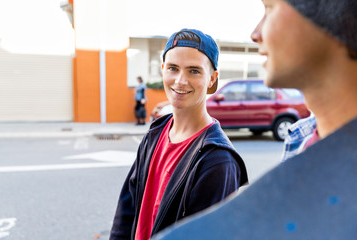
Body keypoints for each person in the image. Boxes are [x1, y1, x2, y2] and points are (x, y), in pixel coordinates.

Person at [152, 0, 357, 239]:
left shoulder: (217, 156)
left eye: (270, 8)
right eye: (172, 68)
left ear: (330, 16)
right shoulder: (298, 140)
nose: (255, 33)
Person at [109, 28, 248, 240]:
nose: (180, 81)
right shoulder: (155, 133)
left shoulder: (218, 159)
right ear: (163, 69)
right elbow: (126, 211)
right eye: (173, 68)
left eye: (194, 71)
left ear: (212, 79)